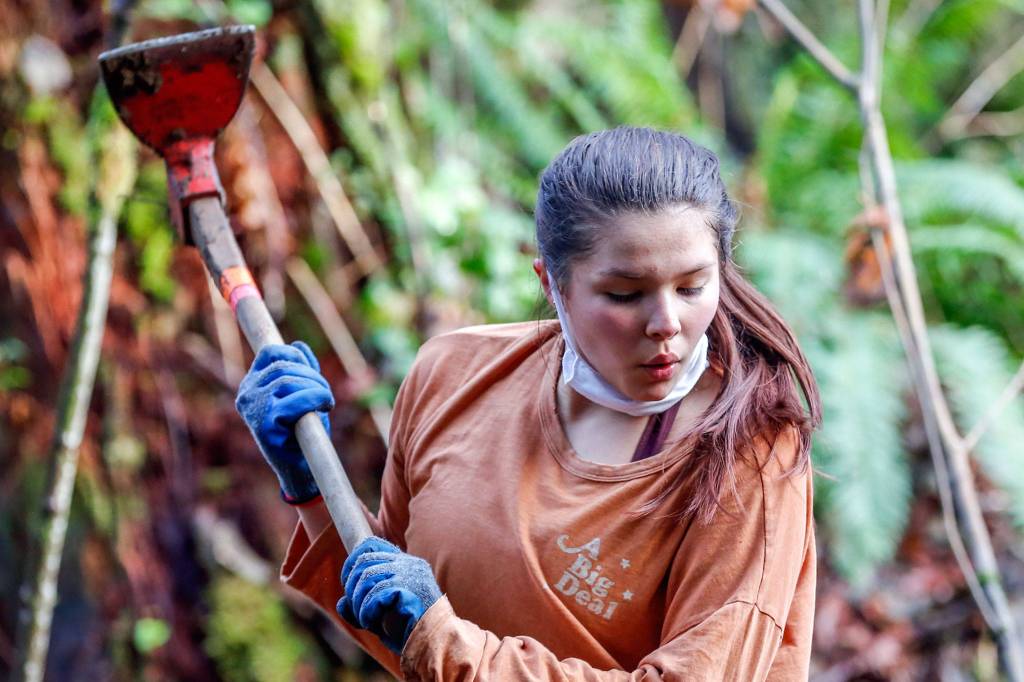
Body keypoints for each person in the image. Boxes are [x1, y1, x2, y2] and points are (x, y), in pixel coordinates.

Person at [236, 127, 821, 680]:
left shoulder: (750, 455)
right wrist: (310, 484)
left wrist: (443, 640)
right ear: (552, 283)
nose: (667, 324)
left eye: (693, 287)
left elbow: (434, 642)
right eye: (625, 294)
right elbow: (397, 625)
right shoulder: (453, 375)